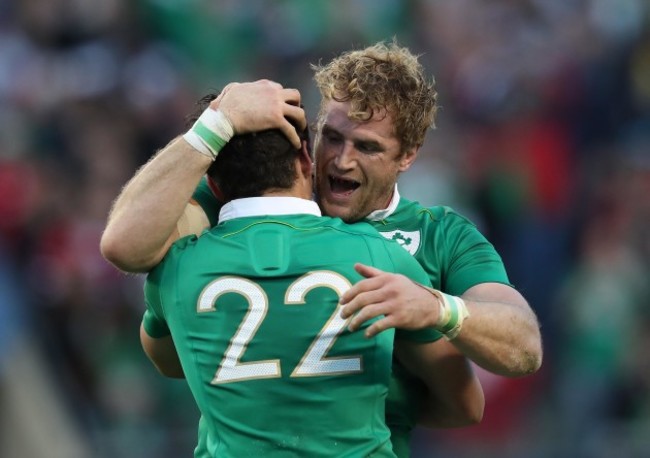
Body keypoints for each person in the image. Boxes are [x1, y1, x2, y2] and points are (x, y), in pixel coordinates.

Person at [101, 40, 542, 454]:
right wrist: (216, 124)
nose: (342, 160)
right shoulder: (255, 194)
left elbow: (522, 347)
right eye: (332, 136)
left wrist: (438, 309)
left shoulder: (441, 236)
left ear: (408, 155)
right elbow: (124, 244)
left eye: (367, 147)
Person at [139, 109, 484, 457]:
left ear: (213, 185)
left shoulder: (176, 270)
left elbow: (170, 362)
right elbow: (466, 404)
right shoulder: (381, 257)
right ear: (307, 160)